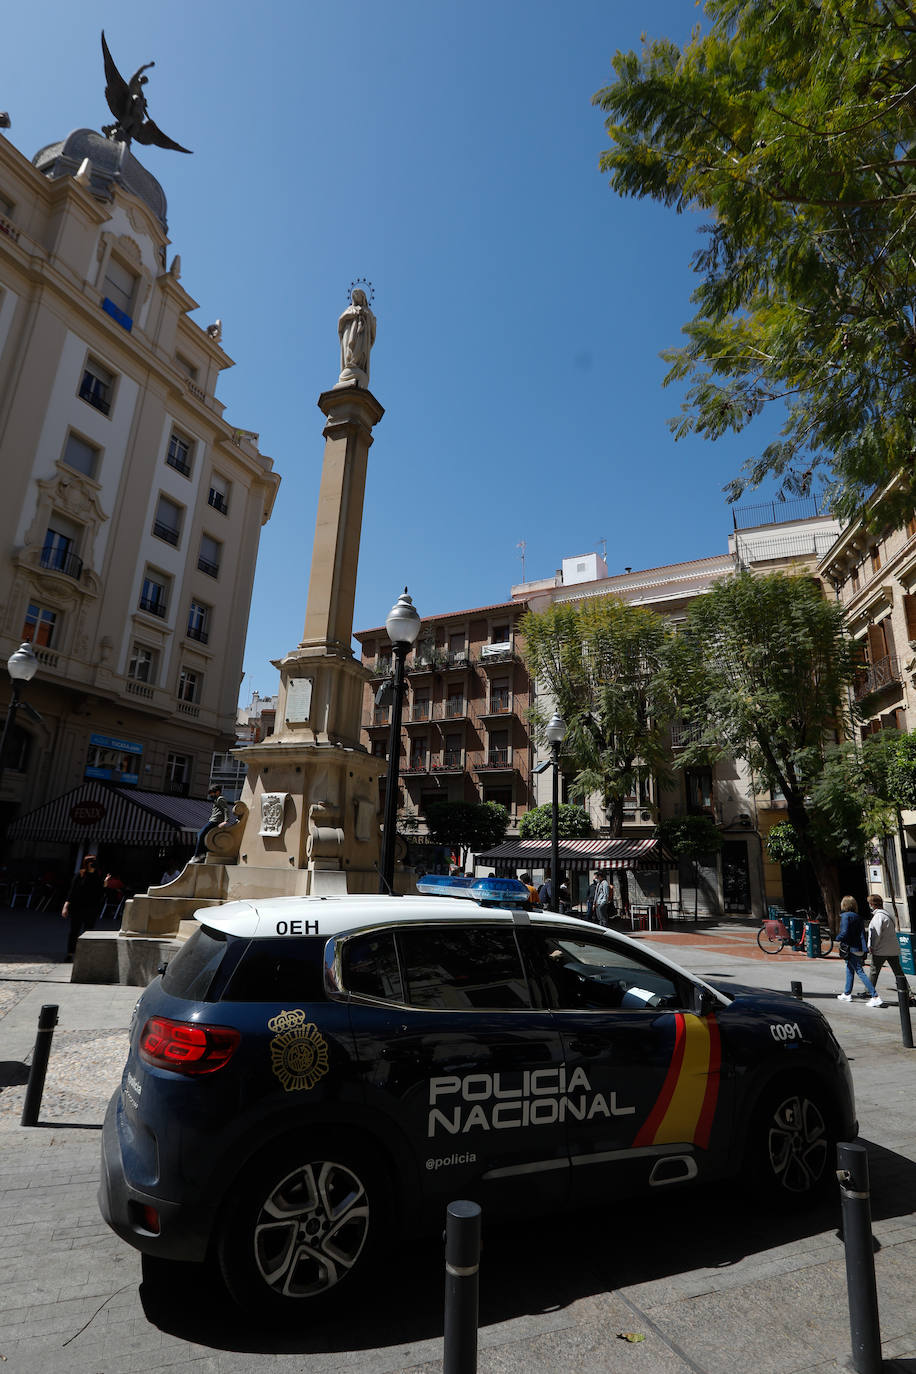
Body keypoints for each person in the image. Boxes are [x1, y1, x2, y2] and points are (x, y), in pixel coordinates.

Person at [837, 895, 884, 1007]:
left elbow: (844, 933)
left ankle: (875, 996)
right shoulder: (858, 917)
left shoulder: (845, 916)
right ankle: (847, 993)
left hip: (850, 948)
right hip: (859, 948)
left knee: (859, 971)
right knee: (849, 969)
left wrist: (837, 937)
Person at [867, 893, 915, 1002]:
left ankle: (868, 991)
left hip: (881, 950)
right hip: (892, 949)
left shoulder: (878, 917)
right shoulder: (888, 915)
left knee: (874, 971)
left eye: (870, 903)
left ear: (873, 904)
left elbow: (876, 934)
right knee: (898, 972)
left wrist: (872, 946)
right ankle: (908, 993)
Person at [61, 855, 105, 959]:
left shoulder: (98, 876)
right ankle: (70, 953)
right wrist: (65, 906)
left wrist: (105, 884)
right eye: (91, 862)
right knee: (74, 931)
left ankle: (85, 955)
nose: (93, 863)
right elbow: (71, 892)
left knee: (88, 931)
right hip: (78, 907)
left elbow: (100, 892)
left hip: (91, 908)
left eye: (95, 861)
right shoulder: (80, 875)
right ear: (86, 863)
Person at [190, 786, 233, 863]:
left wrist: (226, 821)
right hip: (213, 820)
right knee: (201, 834)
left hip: (215, 821)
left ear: (217, 792)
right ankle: (203, 853)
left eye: (212, 793)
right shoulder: (217, 799)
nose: (211, 795)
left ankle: (197, 855)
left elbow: (226, 809)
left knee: (201, 834)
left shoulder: (220, 799)